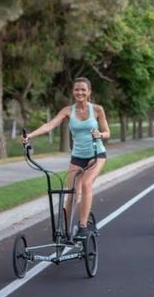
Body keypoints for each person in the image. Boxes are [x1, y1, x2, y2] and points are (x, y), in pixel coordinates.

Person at [22, 77, 110, 237]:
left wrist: (100, 134)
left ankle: (83, 226)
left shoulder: (97, 109)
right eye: (77, 89)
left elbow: (107, 132)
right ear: (73, 92)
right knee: (71, 193)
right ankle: (66, 229)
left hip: (96, 154)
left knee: (86, 184)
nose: (80, 92)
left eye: (83, 89)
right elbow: (50, 125)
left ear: (89, 92)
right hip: (77, 156)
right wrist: (30, 135)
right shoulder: (67, 110)